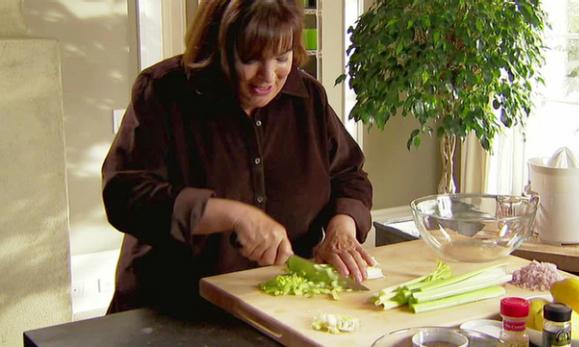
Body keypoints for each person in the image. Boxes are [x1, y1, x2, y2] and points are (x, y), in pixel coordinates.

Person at [102, 0, 375, 318]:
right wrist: (230, 214)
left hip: (282, 306)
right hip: (172, 308)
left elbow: (348, 175)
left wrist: (342, 228)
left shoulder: (308, 99)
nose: (268, 77)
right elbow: (124, 196)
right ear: (218, 47)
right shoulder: (164, 92)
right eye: (250, 58)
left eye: (282, 57)